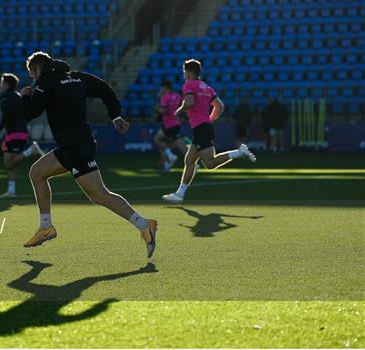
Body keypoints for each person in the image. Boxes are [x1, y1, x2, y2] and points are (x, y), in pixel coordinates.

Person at [20, 51, 158, 258]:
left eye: (32, 74)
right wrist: (115, 115)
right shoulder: (78, 77)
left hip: (75, 147)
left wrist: (25, 96)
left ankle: (144, 224)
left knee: (99, 194)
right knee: (37, 173)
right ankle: (46, 227)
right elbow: (106, 89)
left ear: (37, 69)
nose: (33, 78)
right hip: (72, 145)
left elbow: (31, 112)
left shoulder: (45, 82)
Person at [162, 59, 256, 203]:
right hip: (203, 126)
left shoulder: (189, 84)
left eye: (184, 71)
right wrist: (210, 119)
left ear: (190, 72)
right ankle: (180, 194)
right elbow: (220, 106)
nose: (184, 74)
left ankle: (239, 152)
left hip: (200, 128)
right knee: (189, 160)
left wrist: (179, 110)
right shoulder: (206, 87)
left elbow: (189, 102)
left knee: (210, 163)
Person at [0, 73, 44, 198]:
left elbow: (6, 113)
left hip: (14, 134)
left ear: (6, 84)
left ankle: (31, 150)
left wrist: (0, 127)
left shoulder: (5, 96)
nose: (1, 85)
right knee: (9, 163)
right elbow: (27, 114)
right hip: (21, 132)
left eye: (2, 83)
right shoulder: (18, 96)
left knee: (9, 164)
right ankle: (11, 191)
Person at [153, 80, 189, 172]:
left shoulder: (164, 97)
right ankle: (167, 162)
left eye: (162, 88)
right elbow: (183, 108)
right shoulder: (177, 96)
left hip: (169, 124)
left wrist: (157, 108)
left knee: (158, 140)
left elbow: (163, 111)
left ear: (165, 88)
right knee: (163, 142)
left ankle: (172, 157)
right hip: (176, 123)